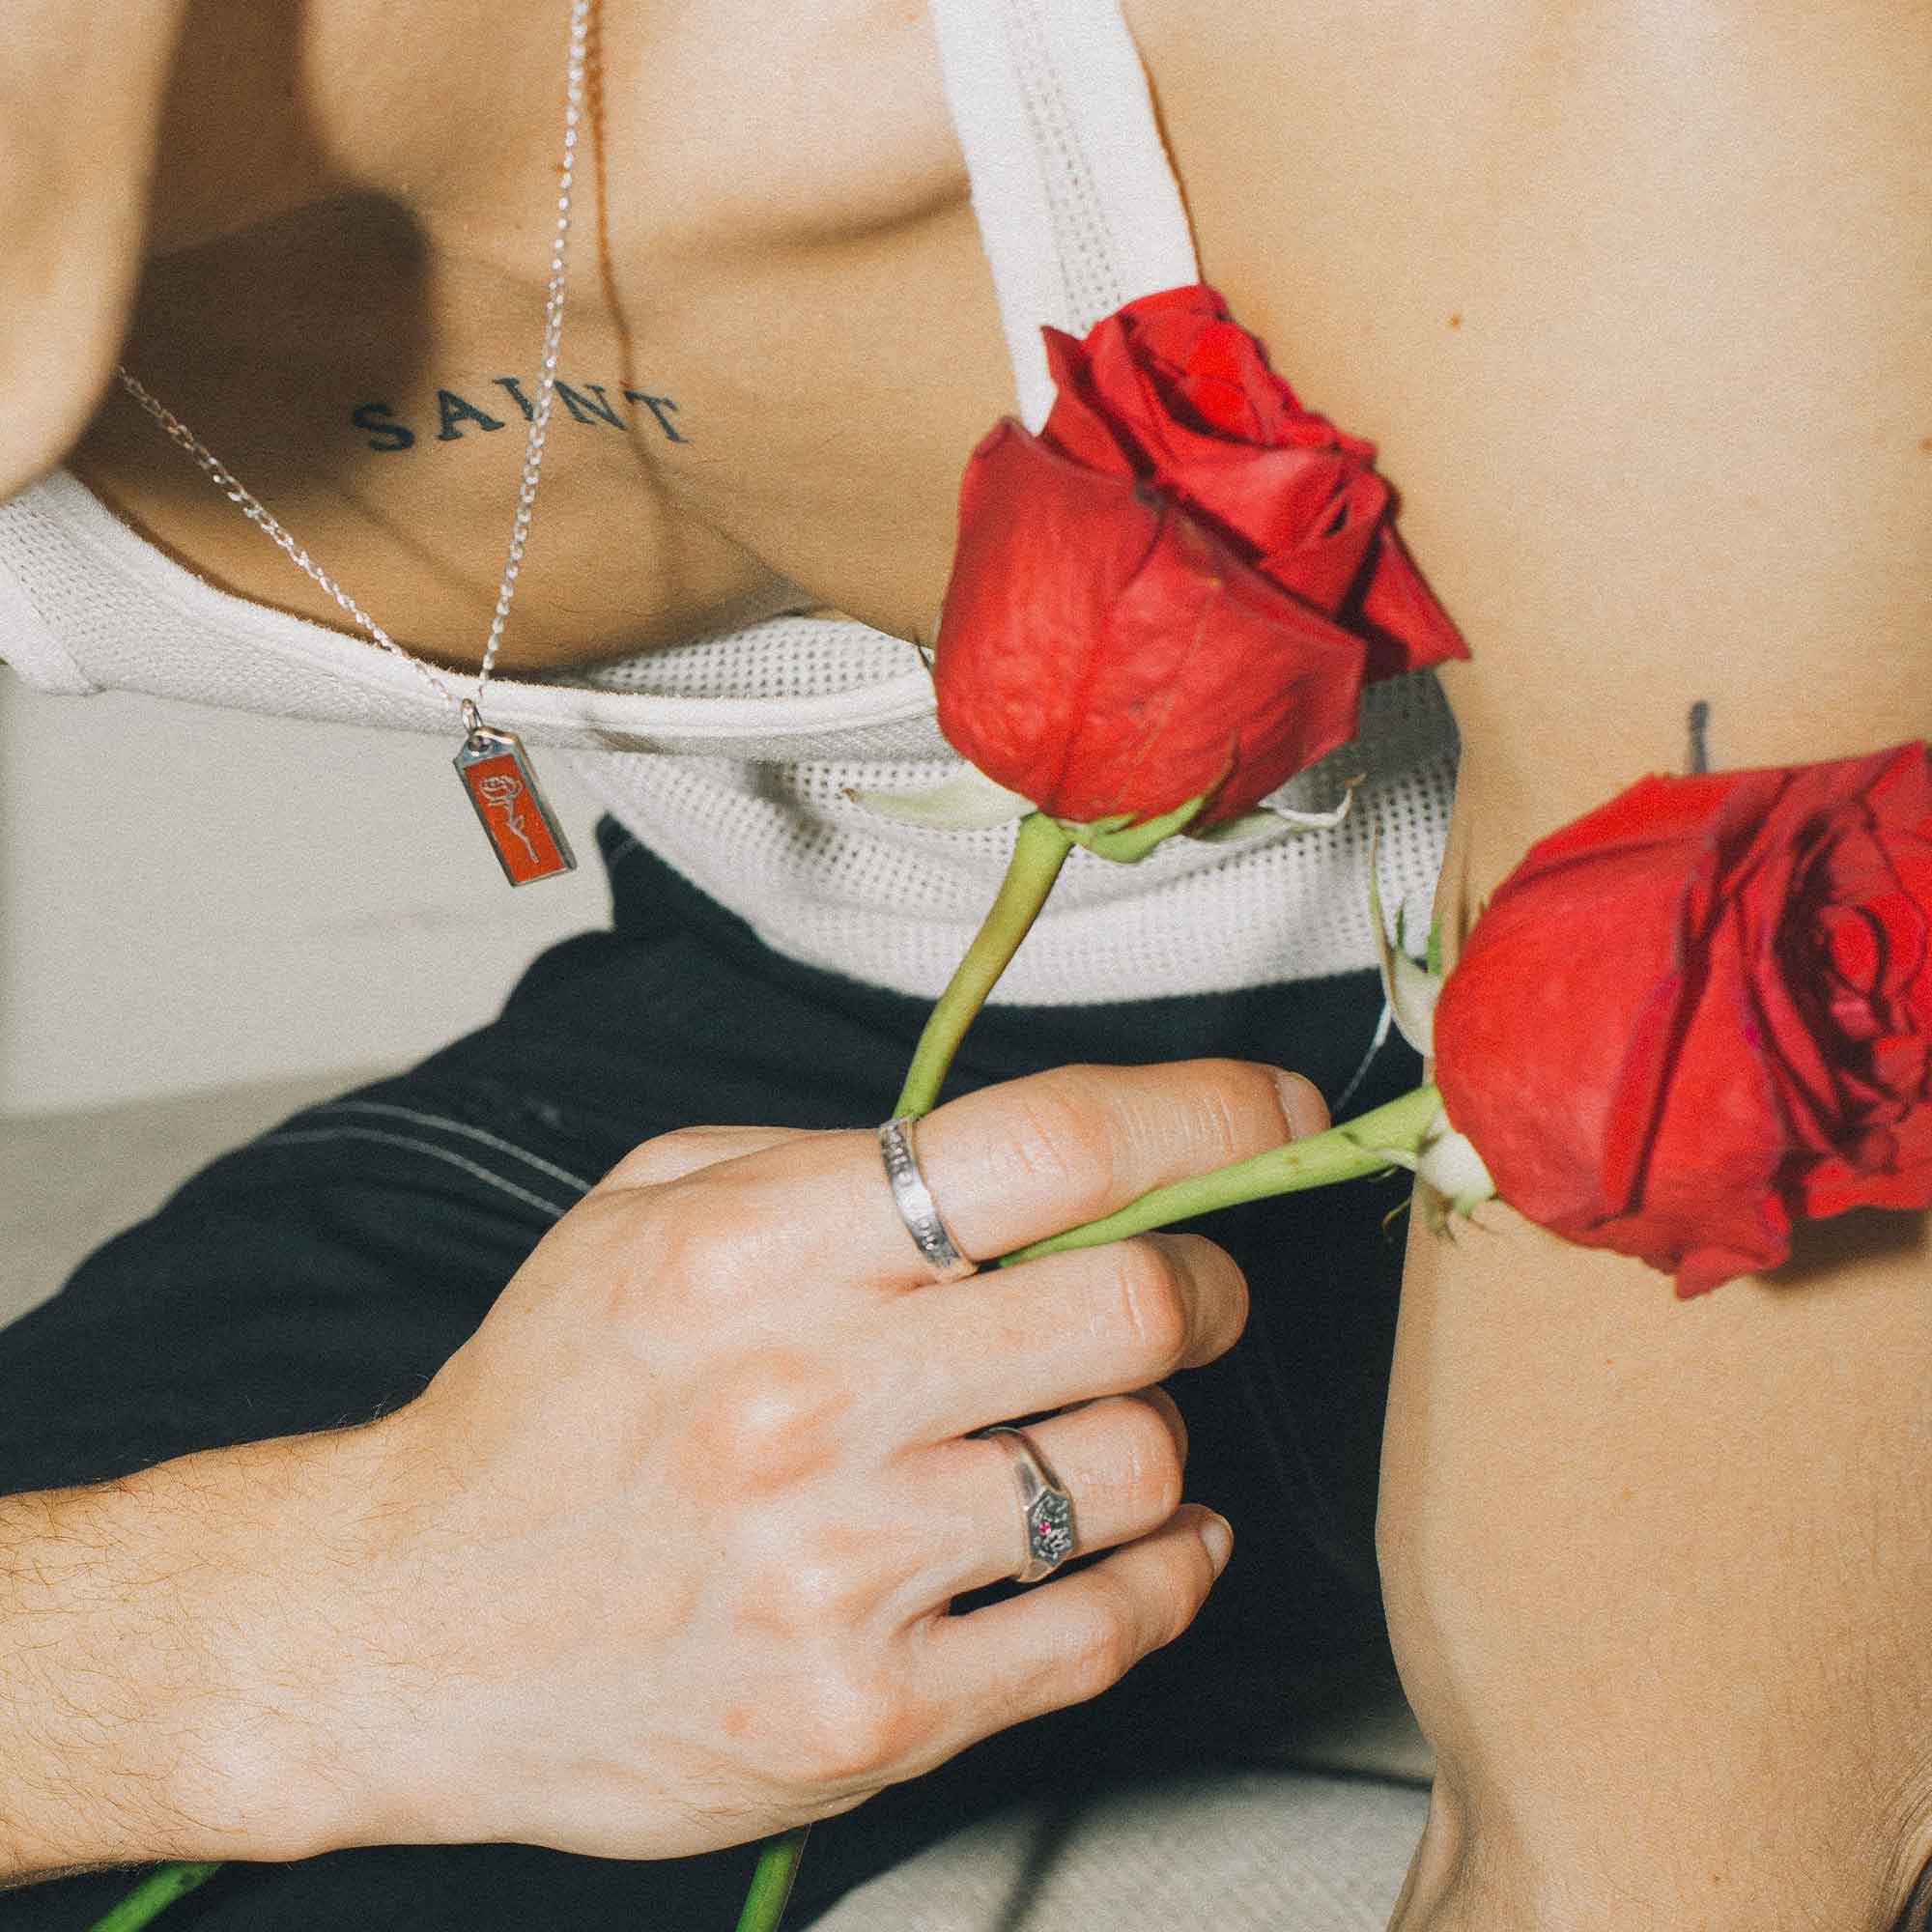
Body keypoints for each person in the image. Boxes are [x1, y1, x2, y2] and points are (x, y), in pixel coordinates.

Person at [1, 3, 1926, 1929]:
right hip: (804, 1064)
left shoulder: (1560, 48)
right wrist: (276, 1628)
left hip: (1736, 1079)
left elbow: (1658, 1877)